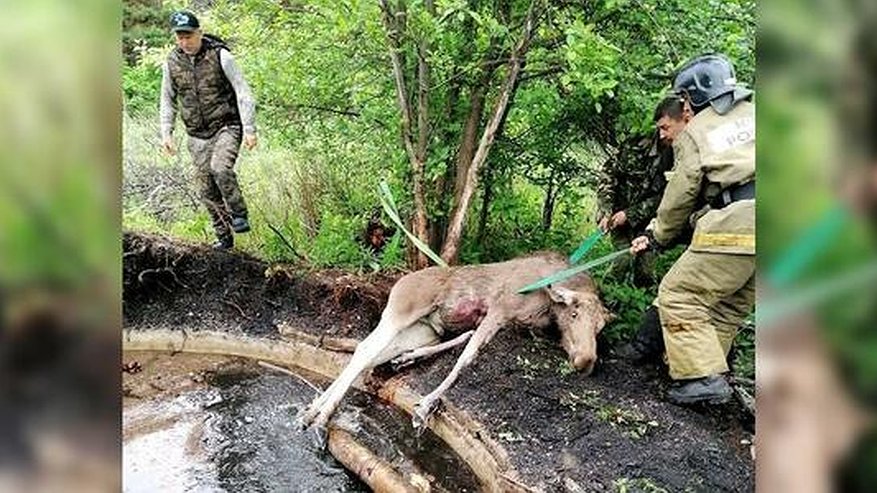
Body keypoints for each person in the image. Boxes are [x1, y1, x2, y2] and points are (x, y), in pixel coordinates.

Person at [628, 54, 755, 405]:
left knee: (678, 295)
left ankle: (701, 379)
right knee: (727, 305)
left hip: (744, 218)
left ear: (691, 98)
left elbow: (682, 191)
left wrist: (656, 235)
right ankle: (710, 373)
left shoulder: (700, 129)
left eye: (683, 98)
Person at [160, 10, 257, 249]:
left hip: (227, 126)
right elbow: (167, 99)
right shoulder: (172, 62)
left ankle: (239, 214)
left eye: (189, 36)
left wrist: (250, 128)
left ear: (199, 33)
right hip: (195, 135)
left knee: (221, 169)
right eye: (180, 37)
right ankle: (223, 238)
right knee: (206, 187)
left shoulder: (221, 56)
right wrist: (166, 132)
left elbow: (243, 92)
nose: (184, 42)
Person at [596, 97, 688, 286]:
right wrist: (606, 210)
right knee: (622, 261)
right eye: (660, 128)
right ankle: (603, 303)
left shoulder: (685, 154)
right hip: (617, 216)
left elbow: (670, 197)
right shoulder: (636, 143)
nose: (662, 135)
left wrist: (630, 214)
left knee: (645, 270)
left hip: (651, 222)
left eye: (666, 128)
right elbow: (608, 175)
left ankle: (640, 307)